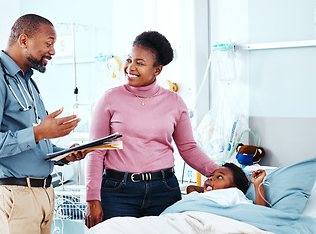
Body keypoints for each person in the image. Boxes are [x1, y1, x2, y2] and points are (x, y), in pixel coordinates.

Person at [0, 14, 89, 234]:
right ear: (23, 40)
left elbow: (33, 141)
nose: (53, 51)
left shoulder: (28, 82)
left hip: (42, 193)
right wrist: (40, 131)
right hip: (13, 195)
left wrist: (62, 155)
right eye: (49, 43)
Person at [84, 31, 220, 228]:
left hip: (164, 190)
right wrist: (92, 198)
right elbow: (96, 151)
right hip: (118, 191)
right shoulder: (109, 99)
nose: (130, 67)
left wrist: (218, 172)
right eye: (129, 59)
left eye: (140, 63)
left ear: (157, 70)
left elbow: (188, 148)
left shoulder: (174, 102)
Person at [186, 163, 267, 207]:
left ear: (234, 186)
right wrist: (209, 190)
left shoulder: (233, 193)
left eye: (219, 177)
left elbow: (259, 212)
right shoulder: (201, 196)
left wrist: (258, 184)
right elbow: (191, 188)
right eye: (211, 175)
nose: (210, 178)